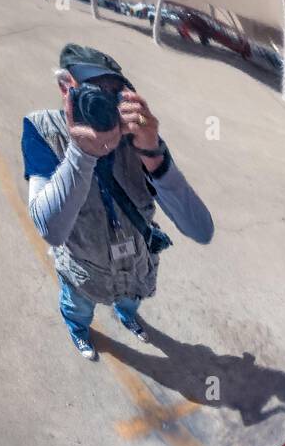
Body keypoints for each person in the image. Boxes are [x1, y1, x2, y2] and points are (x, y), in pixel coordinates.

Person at [22, 43, 213, 360]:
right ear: (66, 87)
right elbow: (51, 229)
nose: (103, 104)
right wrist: (82, 153)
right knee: (78, 307)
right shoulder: (43, 130)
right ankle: (78, 329)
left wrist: (152, 152)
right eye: (93, 91)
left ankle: (128, 317)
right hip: (84, 268)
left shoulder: (138, 139)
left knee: (130, 300)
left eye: (114, 94)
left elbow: (201, 230)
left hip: (135, 265)